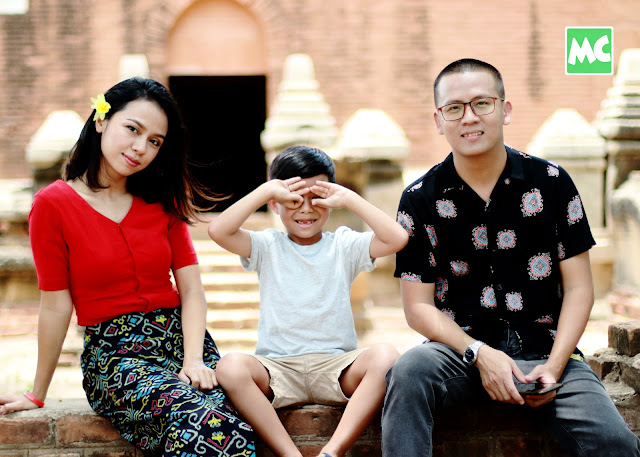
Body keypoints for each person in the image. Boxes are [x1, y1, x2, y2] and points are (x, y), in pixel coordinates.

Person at [381, 58, 640, 457]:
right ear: (438, 120)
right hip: (459, 354)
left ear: (506, 109)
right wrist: (480, 354)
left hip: (546, 351)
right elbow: (417, 307)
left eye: (482, 103)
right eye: (454, 108)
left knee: (616, 444)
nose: (469, 117)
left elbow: (579, 289)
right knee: (408, 372)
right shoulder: (420, 198)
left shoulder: (552, 183)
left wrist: (554, 367)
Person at [0, 77, 256, 457]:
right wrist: (37, 393)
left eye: (155, 141)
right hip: (116, 358)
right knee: (204, 423)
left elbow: (191, 291)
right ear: (101, 120)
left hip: (182, 344)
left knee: (233, 418)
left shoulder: (163, 201)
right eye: (133, 129)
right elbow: (55, 305)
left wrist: (193, 360)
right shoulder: (53, 204)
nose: (141, 148)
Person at [208, 145, 408, 457]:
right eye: (294, 199)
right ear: (275, 204)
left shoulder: (343, 245)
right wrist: (265, 191)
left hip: (336, 368)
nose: (306, 209)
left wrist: (350, 199)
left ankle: (332, 451)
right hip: (277, 369)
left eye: (316, 198)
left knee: (387, 357)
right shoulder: (266, 245)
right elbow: (218, 230)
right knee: (230, 367)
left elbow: (397, 238)